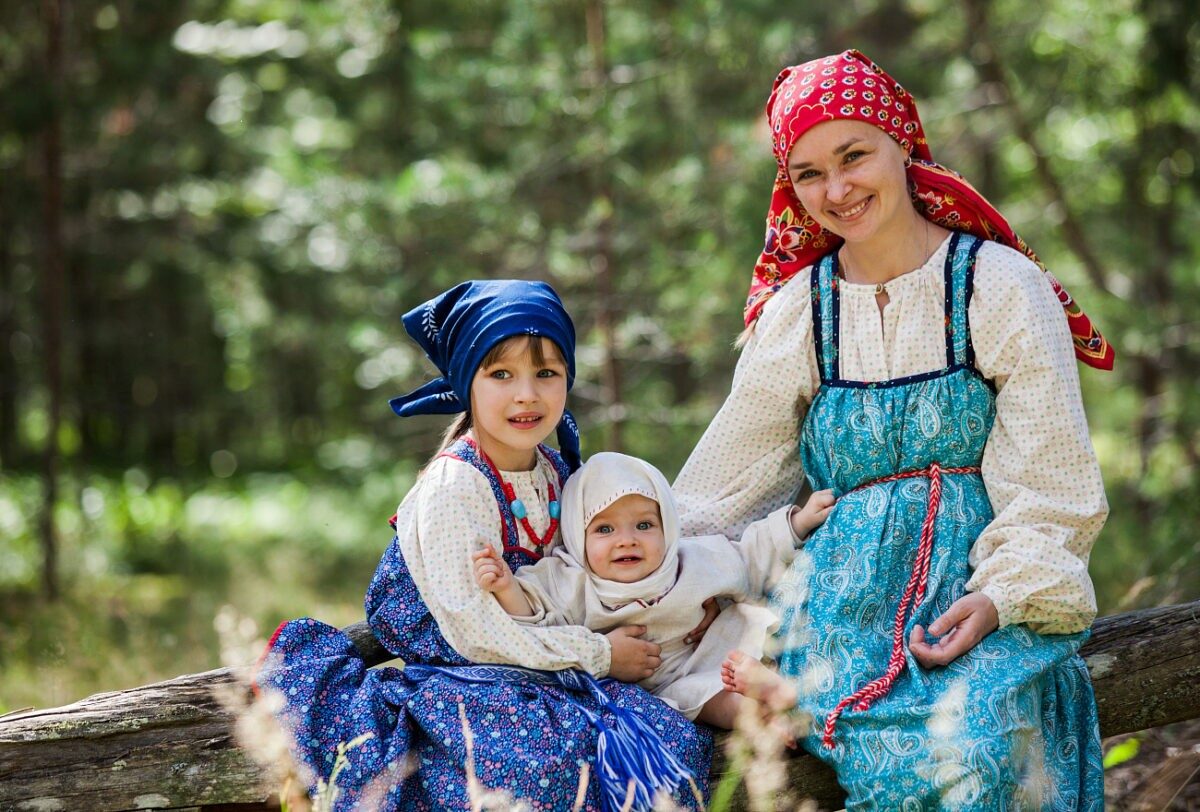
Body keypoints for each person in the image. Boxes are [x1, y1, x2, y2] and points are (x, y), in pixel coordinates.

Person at [673, 50, 1111, 810]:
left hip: (971, 592)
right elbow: (728, 483)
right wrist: (632, 573)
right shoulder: (799, 313)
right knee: (887, 750)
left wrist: (1002, 597)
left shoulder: (999, 286)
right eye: (809, 173)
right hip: (838, 614)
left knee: (971, 737)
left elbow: (1054, 480)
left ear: (901, 143)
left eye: (854, 156)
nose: (837, 190)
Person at [257, 280, 712, 812]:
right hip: (469, 670)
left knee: (668, 743)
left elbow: (603, 570)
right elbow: (474, 631)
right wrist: (601, 655)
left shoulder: (560, 471)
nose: (527, 395)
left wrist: (681, 604)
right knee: (538, 767)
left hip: (546, 665)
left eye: (547, 374)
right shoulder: (455, 486)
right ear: (465, 382)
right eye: (501, 375)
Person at [472, 451, 835, 728]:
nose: (626, 541)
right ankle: (763, 717)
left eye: (644, 525)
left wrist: (799, 522)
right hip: (671, 680)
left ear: (668, 529)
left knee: (757, 626)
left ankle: (773, 684)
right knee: (702, 699)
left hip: (718, 649)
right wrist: (506, 586)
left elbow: (751, 556)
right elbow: (538, 617)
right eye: (604, 530)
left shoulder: (689, 560)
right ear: (576, 536)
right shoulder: (572, 580)